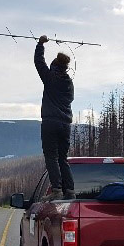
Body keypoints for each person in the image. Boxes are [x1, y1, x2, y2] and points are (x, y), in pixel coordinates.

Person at [35, 35, 75, 201]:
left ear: (55, 65)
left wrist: (40, 44)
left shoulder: (50, 78)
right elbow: (70, 99)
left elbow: (39, 62)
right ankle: (70, 190)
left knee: (51, 157)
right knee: (62, 158)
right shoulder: (69, 83)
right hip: (65, 125)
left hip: (50, 122)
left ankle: (57, 189)